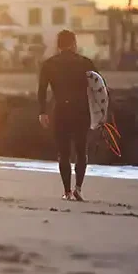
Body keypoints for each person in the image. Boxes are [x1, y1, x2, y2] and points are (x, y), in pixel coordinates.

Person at [37, 29, 97, 201]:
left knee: (63, 153)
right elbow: (99, 89)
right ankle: (78, 188)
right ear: (74, 44)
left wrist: (42, 112)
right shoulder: (85, 62)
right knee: (81, 151)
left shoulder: (49, 64)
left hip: (60, 110)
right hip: (81, 111)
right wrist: (99, 113)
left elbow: (42, 90)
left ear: (58, 45)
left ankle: (67, 191)